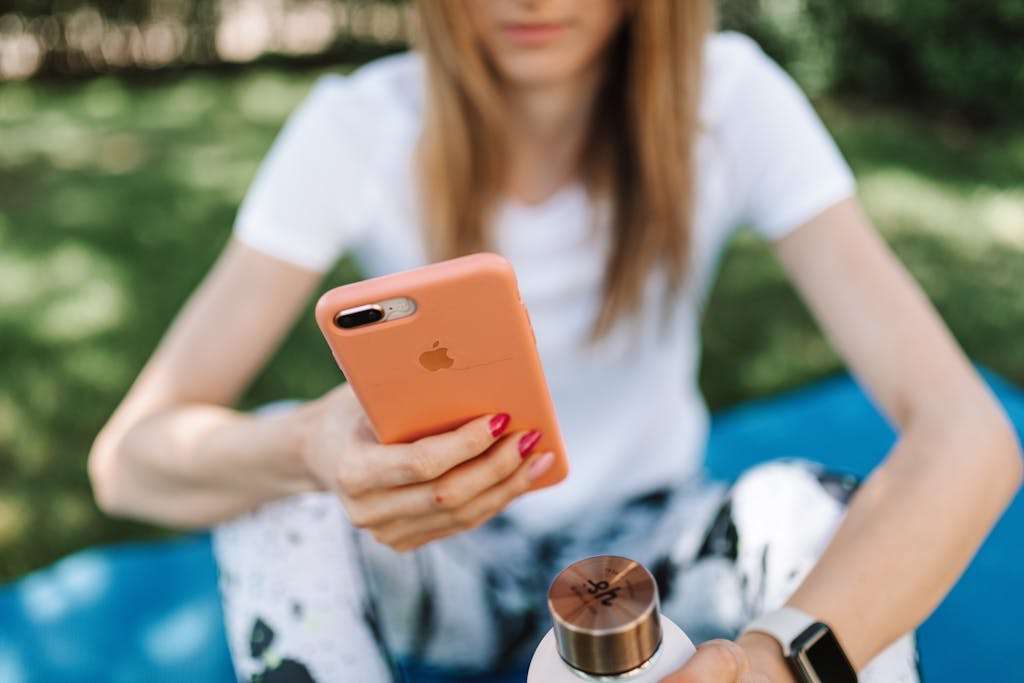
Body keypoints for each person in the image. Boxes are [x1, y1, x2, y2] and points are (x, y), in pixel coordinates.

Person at [88, 1, 1022, 681]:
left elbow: (969, 435)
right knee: (272, 488)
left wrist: (786, 658)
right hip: (442, 552)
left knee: (810, 509)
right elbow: (126, 461)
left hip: (652, 561)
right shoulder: (357, 126)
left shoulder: (730, 100)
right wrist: (306, 448)